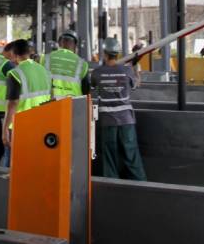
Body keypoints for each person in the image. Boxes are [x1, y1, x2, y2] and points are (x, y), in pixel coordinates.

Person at [90, 37, 146, 181]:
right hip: (126, 120)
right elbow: (136, 84)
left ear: (104, 53)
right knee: (131, 155)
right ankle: (141, 184)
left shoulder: (97, 73)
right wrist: (135, 67)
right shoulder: (127, 71)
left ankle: (113, 187)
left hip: (107, 122)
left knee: (109, 158)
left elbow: (91, 86)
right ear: (118, 53)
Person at [2, 39, 52, 159]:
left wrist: (4, 130)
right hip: (41, 123)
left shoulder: (15, 73)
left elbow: (13, 104)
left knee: (14, 161)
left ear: (14, 54)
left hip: (21, 126)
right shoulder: (44, 71)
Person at [45, 31, 89, 99]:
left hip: (50, 104)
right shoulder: (82, 64)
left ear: (59, 43)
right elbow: (86, 89)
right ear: (75, 45)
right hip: (73, 104)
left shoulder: (46, 58)